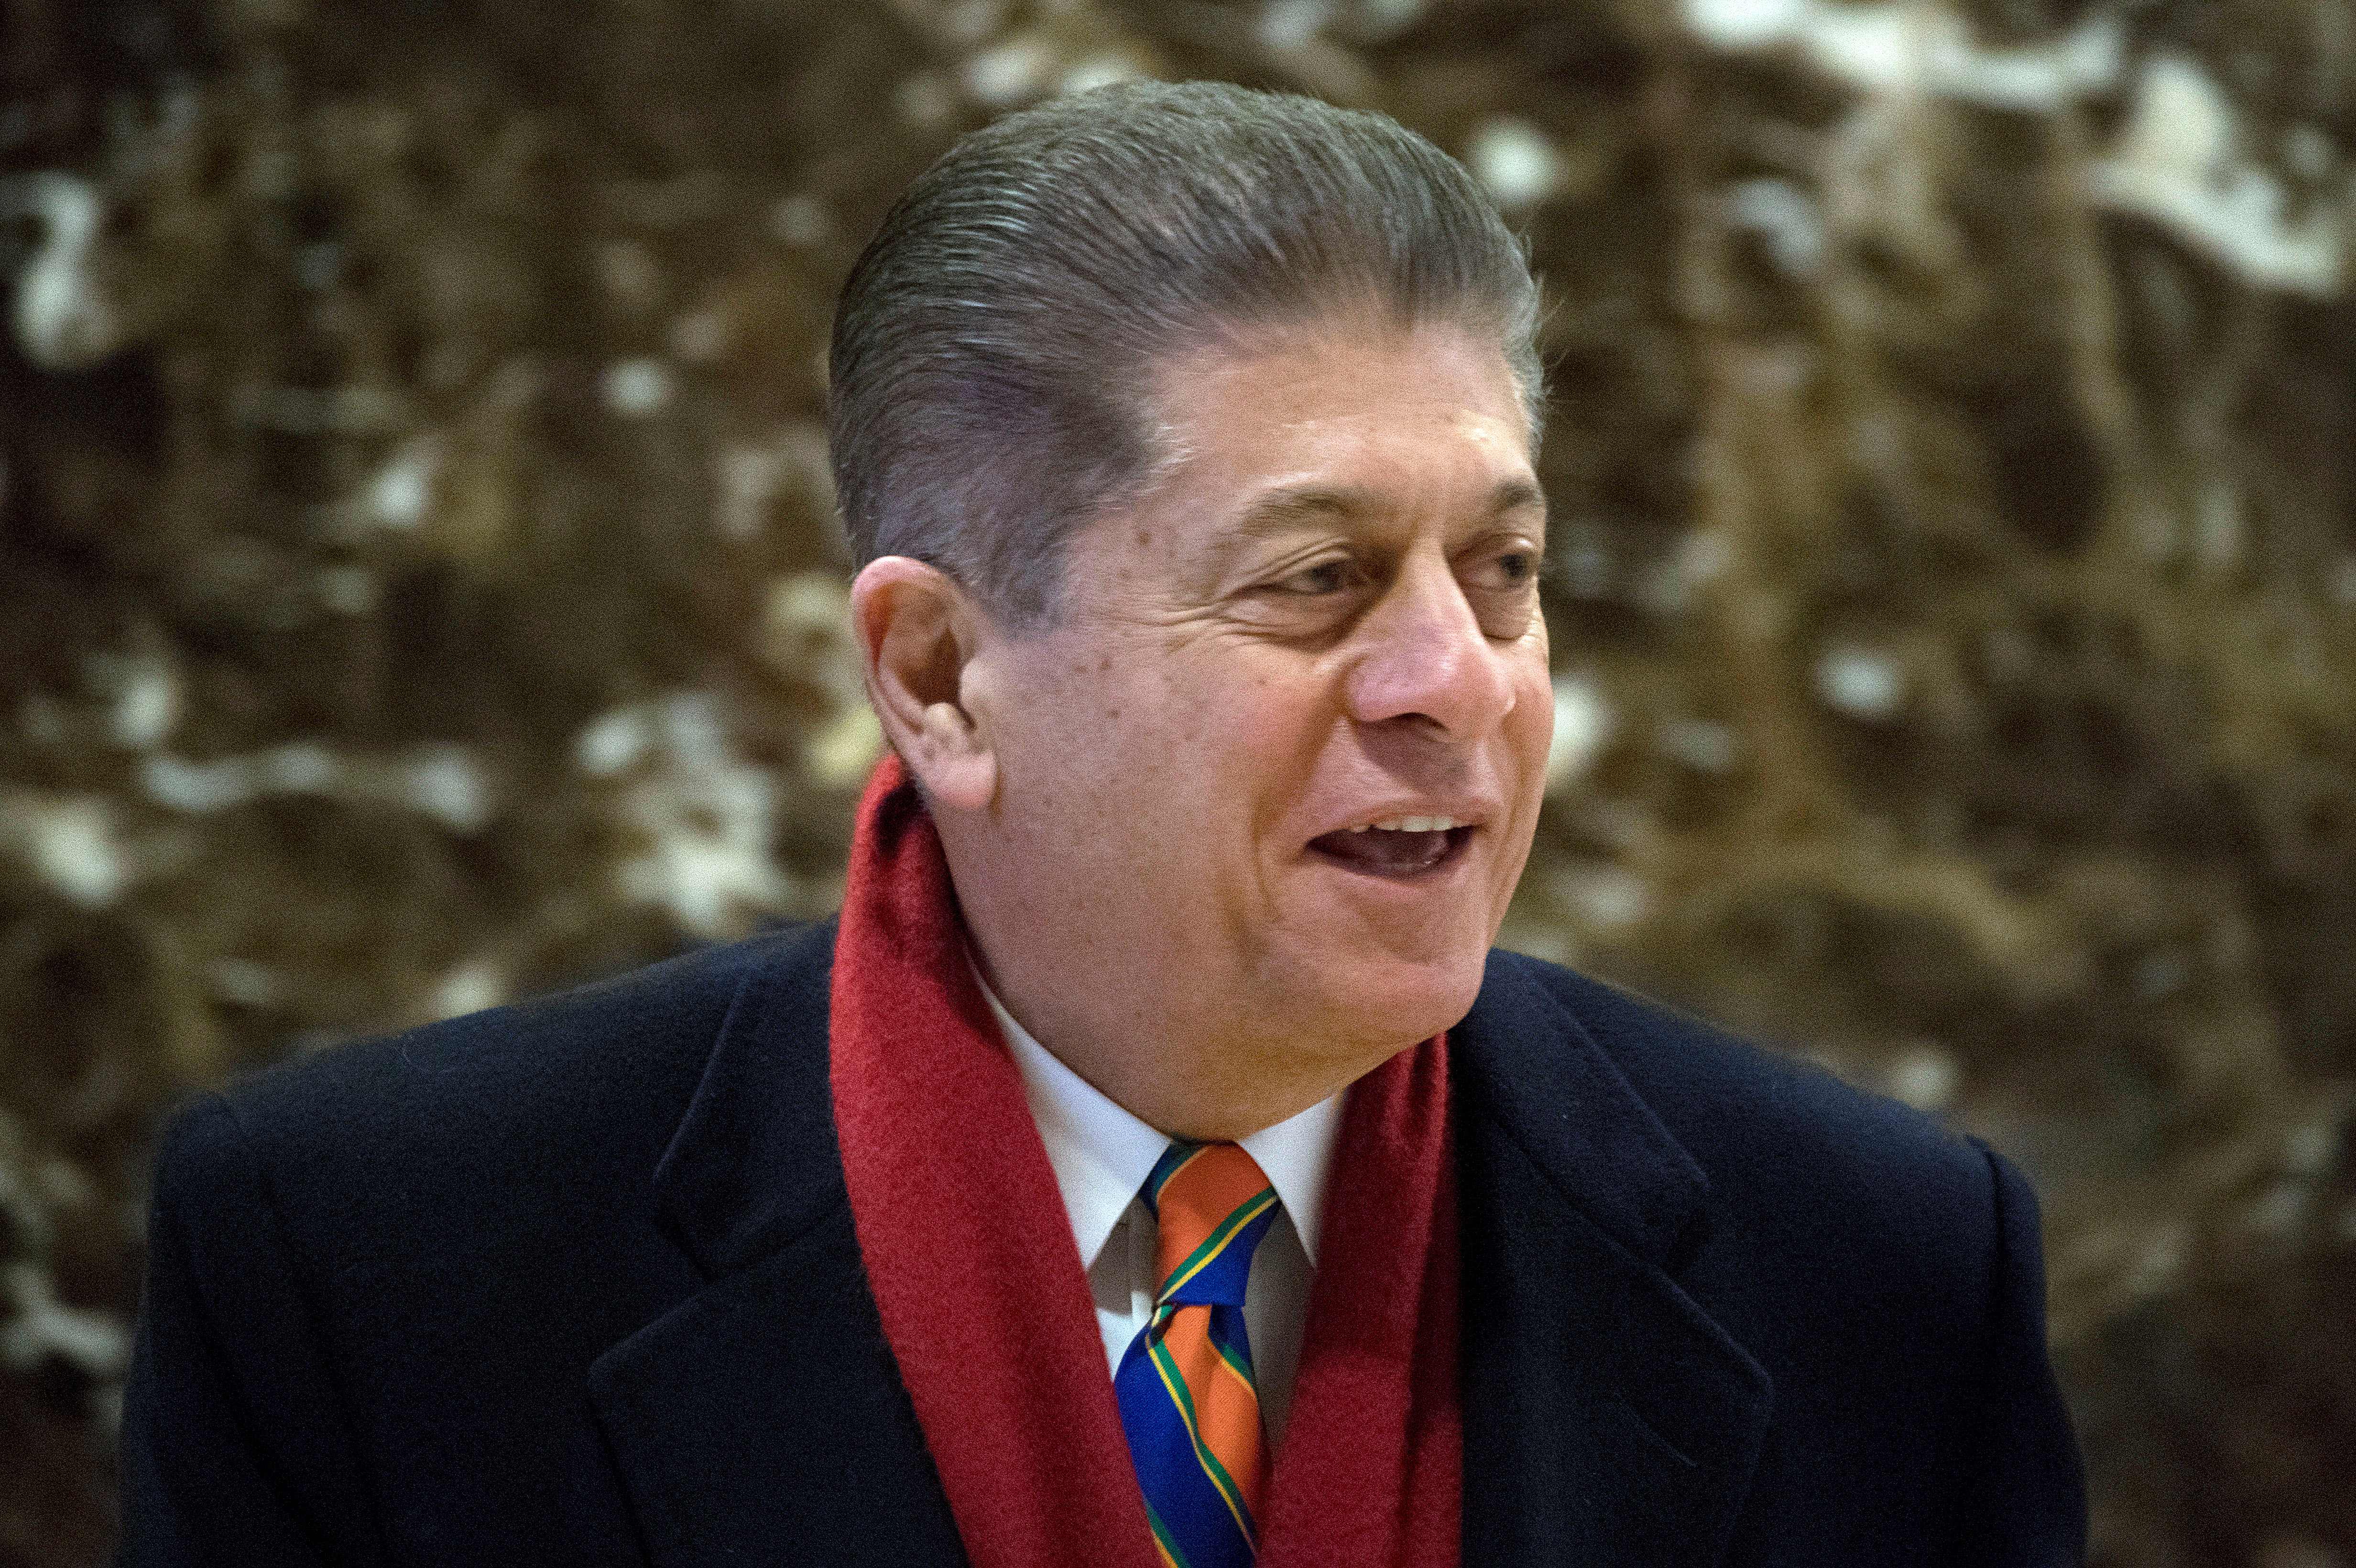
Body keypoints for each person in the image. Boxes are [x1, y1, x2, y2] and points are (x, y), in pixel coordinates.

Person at [116, 81, 2085, 1567]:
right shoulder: (364, 1269)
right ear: (942, 676)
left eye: (1501, 570)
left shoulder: (1881, 1268)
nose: (1454, 679)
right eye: (1315, 578)